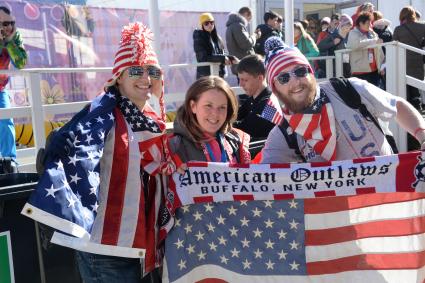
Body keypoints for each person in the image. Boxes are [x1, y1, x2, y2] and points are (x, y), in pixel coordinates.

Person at [23, 22, 176, 282]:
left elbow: (158, 161)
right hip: (106, 247)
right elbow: (77, 150)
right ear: (118, 77)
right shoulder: (102, 115)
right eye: (136, 70)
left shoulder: (149, 117)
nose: (146, 78)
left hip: (138, 245)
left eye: (152, 71)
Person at [260, 37, 425, 164]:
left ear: (311, 72)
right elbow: (263, 180)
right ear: (275, 88)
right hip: (339, 208)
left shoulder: (348, 88)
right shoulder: (283, 134)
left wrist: (423, 136)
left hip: (385, 200)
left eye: (301, 71)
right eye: (284, 77)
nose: (295, 81)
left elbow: (396, 106)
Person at [393, 6, 425, 150]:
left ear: (402, 16)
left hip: (402, 65)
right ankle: (418, 115)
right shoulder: (422, 26)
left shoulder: (399, 30)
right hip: (418, 65)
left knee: (404, 94)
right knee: (416, 93)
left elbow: (393, 45)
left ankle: (409, 119)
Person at [0, 6, 27, 162]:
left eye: (9, 22)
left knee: (6, 121)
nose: (6, 26)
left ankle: (9, 162)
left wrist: (9, 42)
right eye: (2, 23)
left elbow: (21, 63)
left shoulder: (14, 37)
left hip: (1, 89)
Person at [233, 54, 276, 143]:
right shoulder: (253, 99)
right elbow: (235, 115)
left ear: (260, 78)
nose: (240, 84)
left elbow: (245, 128)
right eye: (239, 79)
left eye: (245, 80)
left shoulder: (271, 105)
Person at [347, 12, 384, 87]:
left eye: (370, 23)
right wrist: (373, 41)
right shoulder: (353, 33)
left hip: (374, 71)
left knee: (374, 95)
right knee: (362, 97)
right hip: (360, 72)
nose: (370, 25)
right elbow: (355, 45)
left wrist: (382, 65)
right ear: (361, 23)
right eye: (368, 23)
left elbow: (379, 50)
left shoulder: (372, 33)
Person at [194, 12, 231, 79]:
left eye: (212, 22)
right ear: (201, 25)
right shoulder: (199, 37)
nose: (210, 25)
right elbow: (203, 58)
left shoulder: (217, 37)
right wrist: (222, 58)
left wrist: (230, 58)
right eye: (206, 23)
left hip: (218, 74)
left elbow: (222, 53)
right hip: (205, 75)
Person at [225, 7, 259, 76]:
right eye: (250, 18)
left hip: (239, 64)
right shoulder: (238, 26)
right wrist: (255, 36)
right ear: (246, 14)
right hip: (245, 65)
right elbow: (247, 44)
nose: (249, 22)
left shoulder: (231, 26)